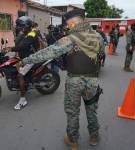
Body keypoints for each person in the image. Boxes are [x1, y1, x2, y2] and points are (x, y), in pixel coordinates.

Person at [15, 10, 103, 150]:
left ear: (73, 22)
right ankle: (94, 137)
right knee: (91, 110)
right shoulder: (98, 37)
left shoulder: (69, 39)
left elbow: (47, 52)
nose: (67, 27)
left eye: (68, 24)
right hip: (92, 80)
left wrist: (25, 60)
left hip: (74, 81)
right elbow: (101, 56)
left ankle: (73, 141)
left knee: (72, 113)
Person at [12, 16, 40, 110]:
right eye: (19, 26)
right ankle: (25, 84)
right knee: (15, 66)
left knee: (19, 75)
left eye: (21, 26)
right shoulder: (25, 33)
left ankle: (23, 100)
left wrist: (10, 49)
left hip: (31, 59)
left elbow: (23, 45)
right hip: (25, 58)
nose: (19, 28)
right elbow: (18, 43)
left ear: (26, 26)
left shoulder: (31, 34)